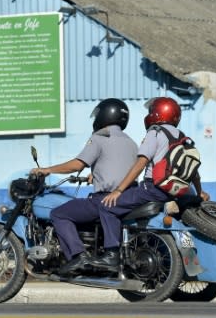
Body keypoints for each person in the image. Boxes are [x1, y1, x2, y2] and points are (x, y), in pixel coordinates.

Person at [91, 96, 210, 271]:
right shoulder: (183, 137)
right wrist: (199, 191)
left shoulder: (155, 132)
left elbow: (140, 163)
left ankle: (111, 255)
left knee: (107, 205)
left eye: (151, 111)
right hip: (176, 192)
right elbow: (193, 170)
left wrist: (118, 190)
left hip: (153, 189)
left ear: (157, 114)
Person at [30, 98, 138, 276]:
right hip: (127, 197)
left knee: (58, 214)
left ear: (104, 115)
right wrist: (95, 176)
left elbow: (77, 165)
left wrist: (47, 170)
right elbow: (119, 167)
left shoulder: (99, 137)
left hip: (105, 199)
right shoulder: (130, 142)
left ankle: (78, 256)